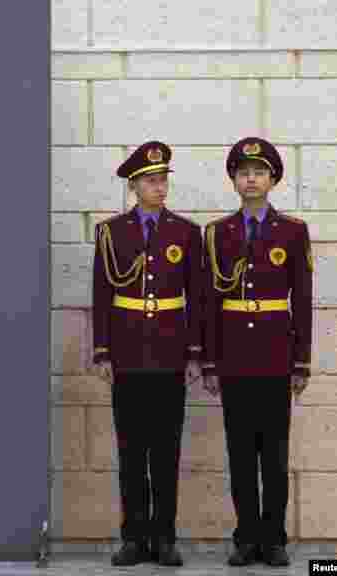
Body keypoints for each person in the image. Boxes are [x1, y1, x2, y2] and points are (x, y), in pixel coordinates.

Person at [91, 141, 203, 567]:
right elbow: (102, 295)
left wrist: (194, 353)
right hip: (127, 353)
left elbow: (197, 296)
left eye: (163, 180)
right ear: (134, 186)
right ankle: (134, 537)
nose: (160, 188)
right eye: (151, 181)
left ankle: (165, 538)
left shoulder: (185, 232)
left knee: (167, 450)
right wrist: (102, 352)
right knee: (131, 451)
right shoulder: (111, 232)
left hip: (171, 353)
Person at [202, 137, 311, 568]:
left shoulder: (293, 232)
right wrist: (209, 361)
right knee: (241, 452)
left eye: (260, 172)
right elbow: (209, 303)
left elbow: (300, 300)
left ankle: (274, 538)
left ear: (273, 180)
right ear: (234, 180)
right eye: (244, 172)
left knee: (275, 454)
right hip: (233, 357)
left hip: (274, 356)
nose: (251, 178)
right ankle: (245, 537)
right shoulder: (218, 233)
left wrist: (301, 360)